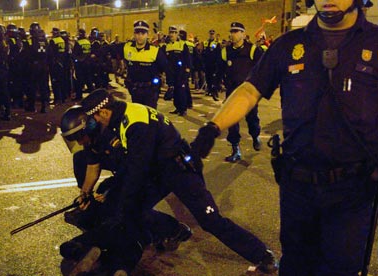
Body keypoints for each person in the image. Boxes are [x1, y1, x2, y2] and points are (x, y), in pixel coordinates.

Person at [191, 0, 378, 274]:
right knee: (295, 265)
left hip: (353, 190)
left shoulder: (375, 42)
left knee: (341, 268)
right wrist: (212, 127)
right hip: (298, 187)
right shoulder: (289, 45)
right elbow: (249, 90)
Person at [81, 89, 278, 274]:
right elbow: (131, 165)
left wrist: (121, 206)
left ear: (105, 112)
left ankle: (262, 254)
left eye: (97, 117)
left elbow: (136, 173)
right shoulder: (125, 115)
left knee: (210, 220)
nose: (97, 122)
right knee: (135, 208)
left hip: (179, 171)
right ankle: (173, 231)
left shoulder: (136, 124)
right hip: (159, 170)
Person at [59, 105, 192, 275]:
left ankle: (172, 229)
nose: (79, 142)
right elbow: (93, 167)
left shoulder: (112, 136)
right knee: (114, 209)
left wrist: (112, 195)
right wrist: (85, 194)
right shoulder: (92, 140)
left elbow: (133, 173)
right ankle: (103, 246)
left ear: (90, 126)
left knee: (127, 212)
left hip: (153, 175)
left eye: (79, 136)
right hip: (128, 174)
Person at [217, 22, 264, 162]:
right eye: (232, 31)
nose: (233, 34)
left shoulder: (253, 50)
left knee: (252, 119)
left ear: (244, 33)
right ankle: (235, 149)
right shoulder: (226, 51)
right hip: (232, 93)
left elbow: (263, 69)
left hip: (249, 92)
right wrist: (216, 84)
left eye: (237, 31)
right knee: (232, 121)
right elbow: (220, 69)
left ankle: (255, 136)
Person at [111, 20, 167, 109]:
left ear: (147, 35)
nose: (140, 36)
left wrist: (171, 84)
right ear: (134, 34)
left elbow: (165, 67)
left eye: (143, 33)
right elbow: (109, 49)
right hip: (134, 89)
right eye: (137, 33)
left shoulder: (155, 51)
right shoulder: (127, 47)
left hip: (150, 91)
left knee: (149, 116)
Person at [163, 26, 191, 116]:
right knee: (175, 90)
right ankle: (177, 107)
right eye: (170, 33)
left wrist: (187, 70)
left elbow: (187, 58)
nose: (171, 34)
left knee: (181, 90)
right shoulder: (167, 46)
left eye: (174, 33)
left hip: (181, 72)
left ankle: (183, 109)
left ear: (177, 34)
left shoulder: (182, 44)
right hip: (171, 72)